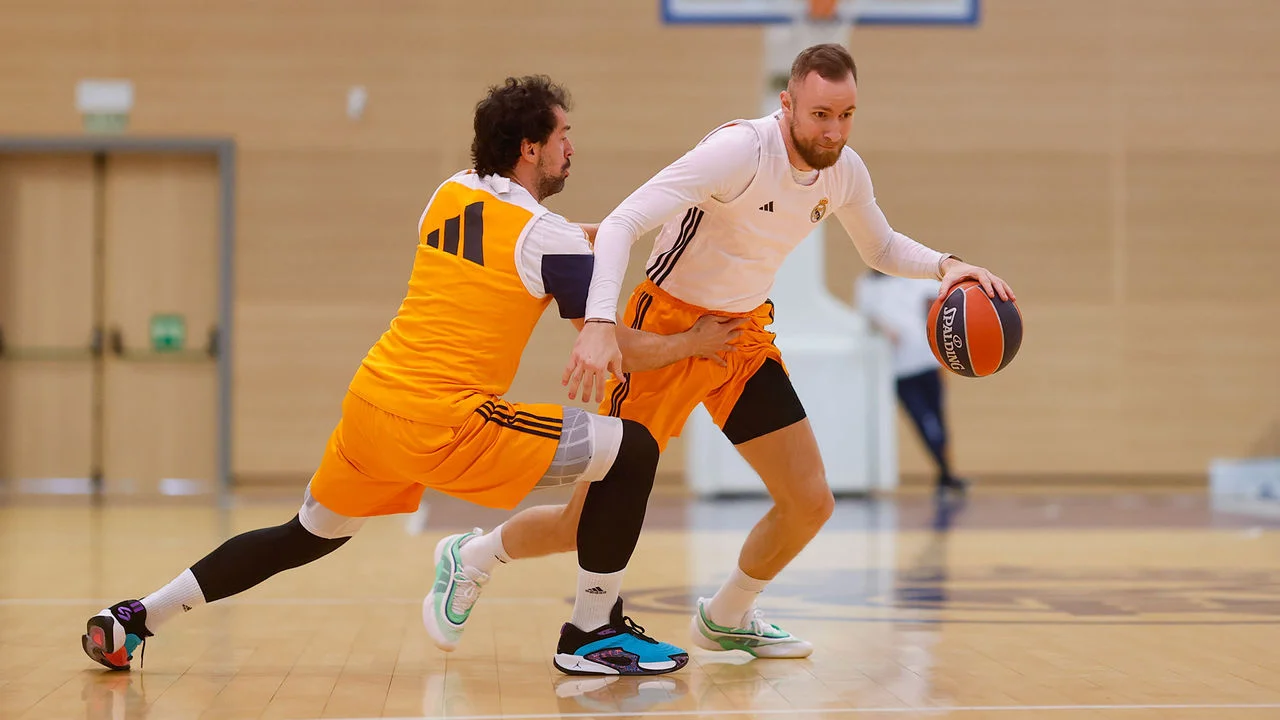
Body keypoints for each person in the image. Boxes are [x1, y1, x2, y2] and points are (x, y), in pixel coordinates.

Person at [80, 75, 746, 678]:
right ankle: (593, 631)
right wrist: (692, 341)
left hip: (372, 403)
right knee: (631, 451)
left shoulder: (451, 190)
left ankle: (138, 618)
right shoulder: (551, 239)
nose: (572, 146)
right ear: (529, 148)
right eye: (562, 135)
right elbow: (613, 349)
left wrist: (578, 236)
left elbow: (508, 246)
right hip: (447, 421)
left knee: (306, 535)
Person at [424, 43, 1015, 660]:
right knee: (586, 520)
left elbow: (881, 247)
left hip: (740, 336)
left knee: (809, 501)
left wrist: (948, 267)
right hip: (667, 325)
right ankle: (472, 558)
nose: (833, 129)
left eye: (846, 115)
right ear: (787, 104)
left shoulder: (845, 171)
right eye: (819, 114)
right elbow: (624, 223)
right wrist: (599, 323)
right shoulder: (738, 152)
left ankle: (730, 615)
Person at [855, 268, 967, 495]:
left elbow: (934, 301)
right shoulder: (867, 285)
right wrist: (884, 329)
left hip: (927, 361)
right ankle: (946, 472)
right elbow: (867, 317)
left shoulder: (912, 275)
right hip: (900, 370)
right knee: (922, 420)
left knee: (938, 418)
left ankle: (946, 472)